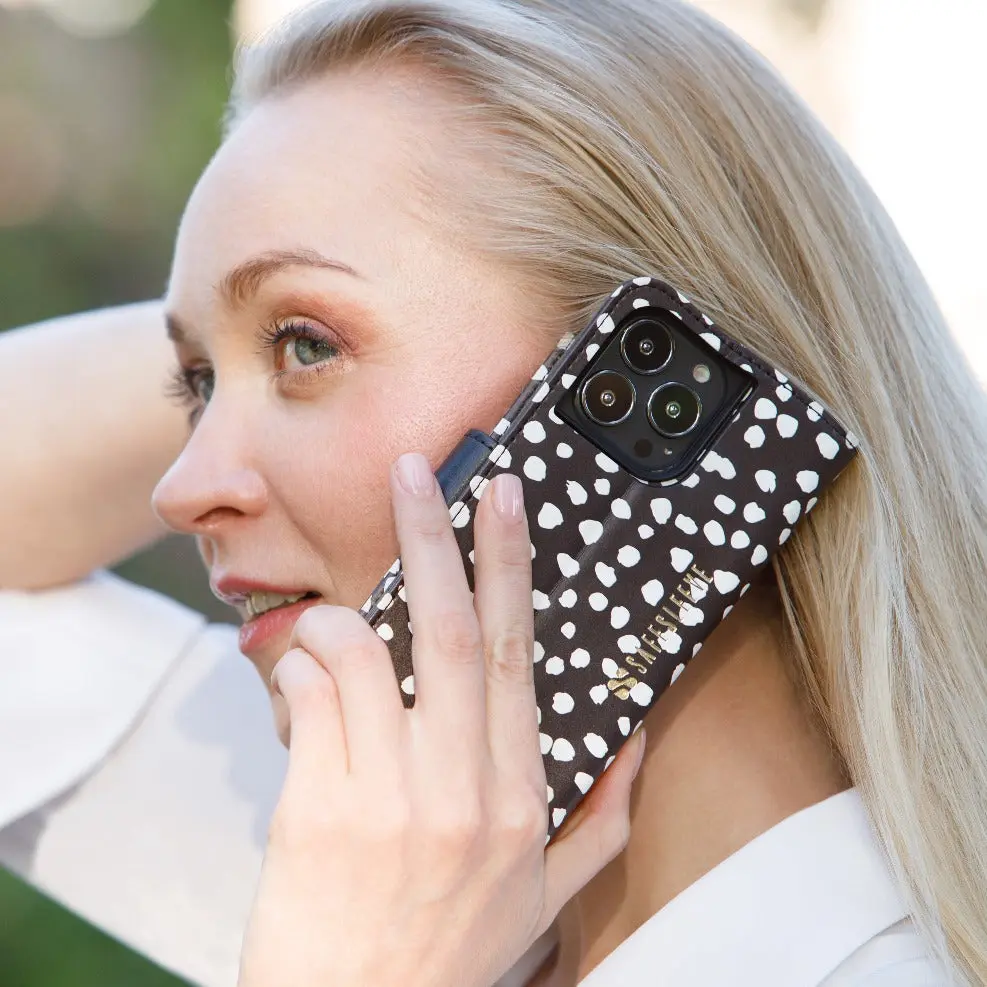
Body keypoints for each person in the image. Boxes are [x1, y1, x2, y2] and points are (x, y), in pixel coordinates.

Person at [2, 0, 985, 983]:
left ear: (634, 357)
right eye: (196, 386)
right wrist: (247, 290)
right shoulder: (353, 845)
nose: (180, 488)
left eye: (306, 345)